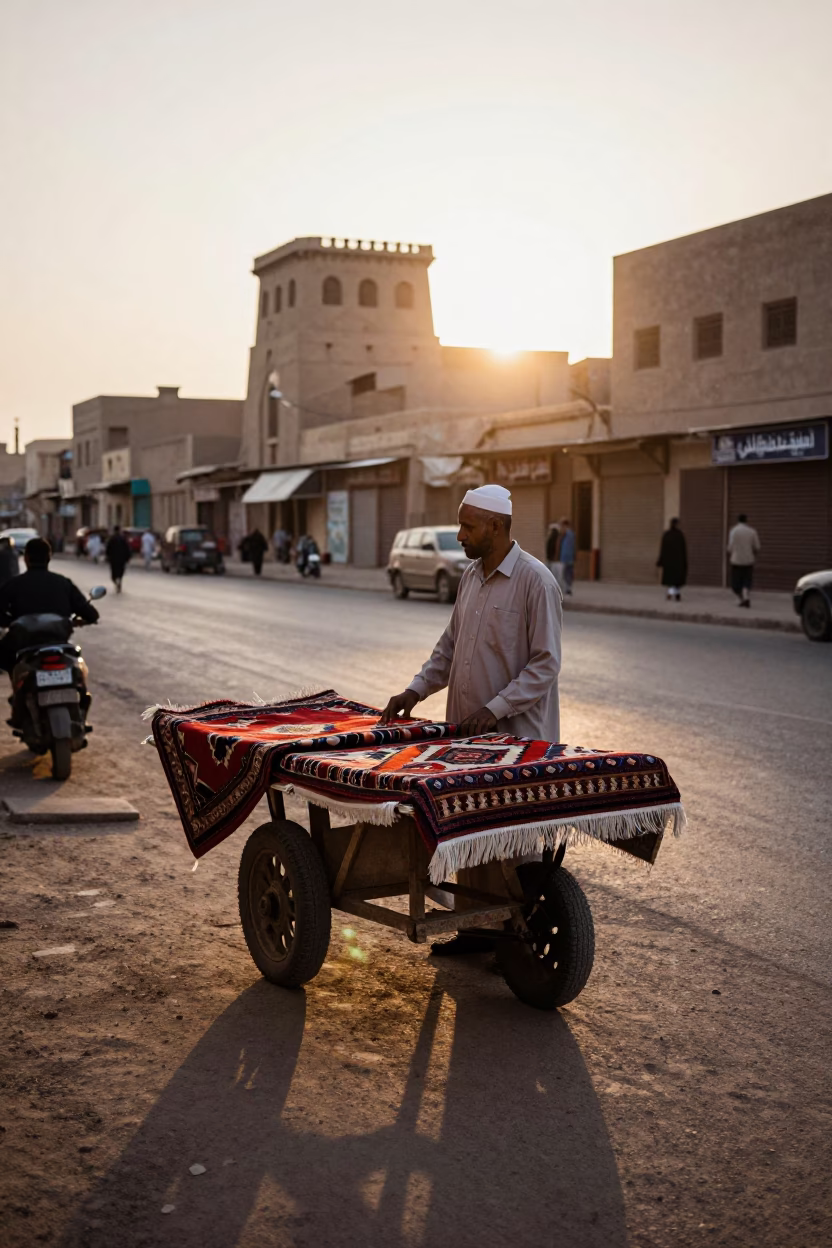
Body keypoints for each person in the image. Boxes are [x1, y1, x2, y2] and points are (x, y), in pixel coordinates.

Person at [381, 482, 563, 956]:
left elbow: (545, 664)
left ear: (497, 527)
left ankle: (517, 941)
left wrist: (495, 709)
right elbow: (449, 649)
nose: (459, 535)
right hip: (466, 737)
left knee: (510, 843)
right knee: (468, 834)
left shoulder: (535, 581)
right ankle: (476, 930)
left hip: (516, 740)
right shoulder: (469, 578)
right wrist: (415, 691)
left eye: (467, 525)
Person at [0, 538, 99, 675]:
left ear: (26, 559)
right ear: (49, 557)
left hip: (25, 641)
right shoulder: (63, 583)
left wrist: (12, 622)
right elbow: (90, 613)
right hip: (58, 640)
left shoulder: (14, 584)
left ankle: (18, 691)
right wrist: (81, 620)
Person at [727, 513, 760, 608]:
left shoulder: (733, 531)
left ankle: (741, 599)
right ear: (746, 520)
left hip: (736, 560)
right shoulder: (752, 531)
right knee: (747, 580)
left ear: (738, 520)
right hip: (748, 560)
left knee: (736, 581)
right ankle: (746, 597)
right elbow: (757, 547)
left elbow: (730, 548)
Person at [656, 517, 688, 602]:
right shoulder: (680, 535)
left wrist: (661, 560)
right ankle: (674, 594)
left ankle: (671, 594)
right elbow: (683, 551)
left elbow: (663, 549)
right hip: (678, 562)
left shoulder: (666, 535)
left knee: (671, 579)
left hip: (669, 562)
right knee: (676, 580)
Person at [105, 525, 131, 593]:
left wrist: (107, 557)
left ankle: (116, 582)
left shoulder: (111, 539)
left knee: (114, 573)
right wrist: (128, 557)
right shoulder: (123, 539)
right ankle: (119, 582)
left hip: (114, 559)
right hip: (121, 559)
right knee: (120, 572)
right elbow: (127, 549)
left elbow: (108, 549)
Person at [556, 518, 576, 595]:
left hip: (565, 557)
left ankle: (566, 588)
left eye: (561, 525)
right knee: (568, 573)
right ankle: (568, 588)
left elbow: (559, 545)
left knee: (564, 573)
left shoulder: (565, 534)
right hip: (568, 556)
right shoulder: (571, 534)